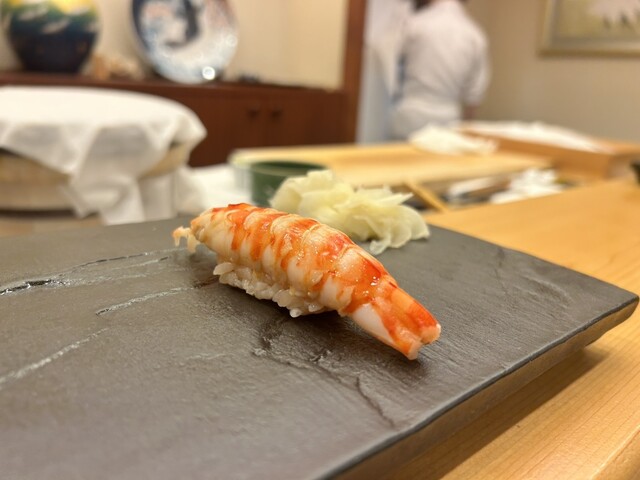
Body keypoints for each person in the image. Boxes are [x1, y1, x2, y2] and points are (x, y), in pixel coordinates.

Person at [390, 0, 490, 139]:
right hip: (448, 120)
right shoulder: (475, 35)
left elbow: (389, 69)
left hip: (410, 117)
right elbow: (474, 95)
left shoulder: (413, 24)